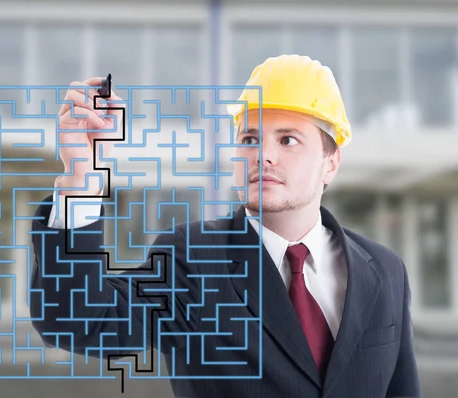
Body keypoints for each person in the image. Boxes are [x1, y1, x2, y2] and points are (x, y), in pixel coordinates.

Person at [29, 54, 423, 398]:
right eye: (250, 138)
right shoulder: (194, 260)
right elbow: (75, 318)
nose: (263, 155)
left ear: (330, 163)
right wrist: (82, 176)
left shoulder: (385, 271)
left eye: (287, 140)